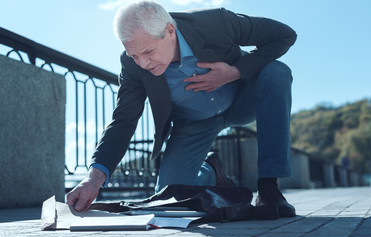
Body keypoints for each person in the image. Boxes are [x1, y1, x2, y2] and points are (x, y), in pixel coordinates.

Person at [67, 0, 297, 218]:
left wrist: (233, 72)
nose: (143, 63)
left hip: (239, 100)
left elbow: (284, 35)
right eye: (134, 55)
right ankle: (211, 171)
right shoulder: (132, 66)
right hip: (192, 124)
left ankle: (269, 188)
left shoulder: (216, 23)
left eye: (148, 52)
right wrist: (93, 179)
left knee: (277, 73)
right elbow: (123, 121)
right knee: (170, 198)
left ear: (169, 31)